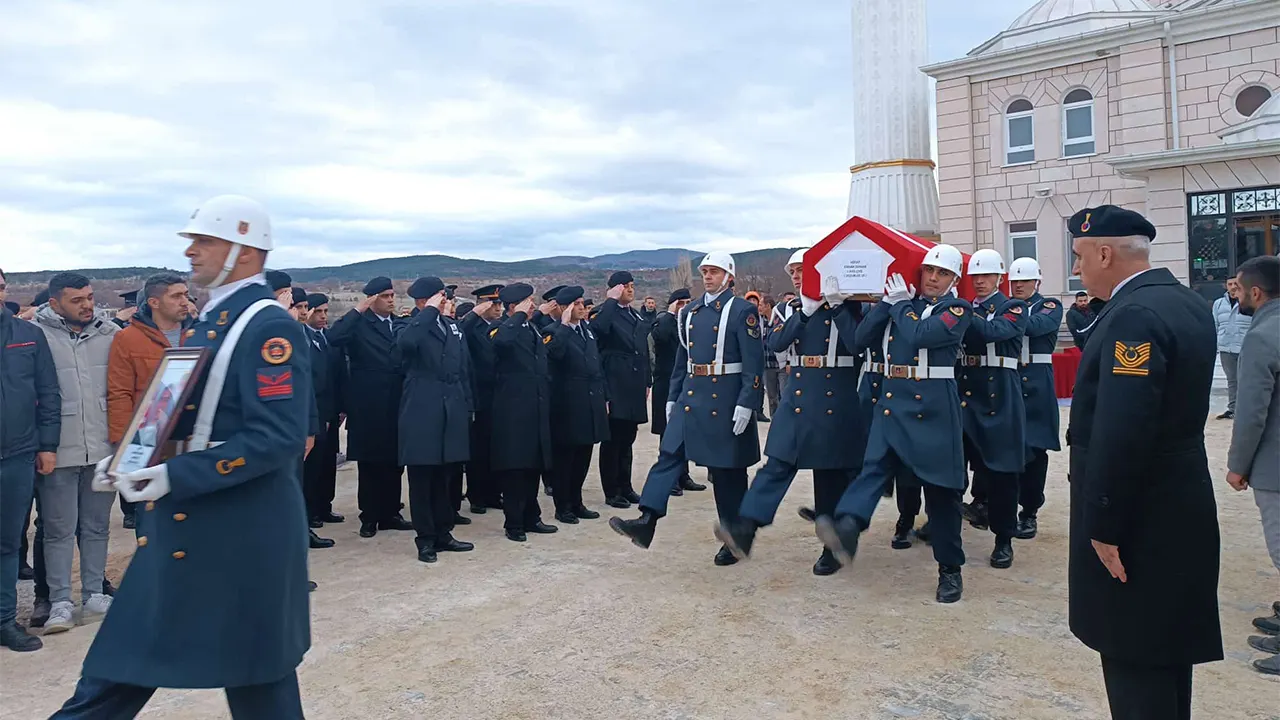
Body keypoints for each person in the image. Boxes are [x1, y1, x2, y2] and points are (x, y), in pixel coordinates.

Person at [51, 194, 312, 718]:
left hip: (239, 527)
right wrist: (132, 459)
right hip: (197, 522)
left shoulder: (266, 325)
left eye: (205, 241)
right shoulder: (216, 317)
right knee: (124, 664)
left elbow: (276, 437)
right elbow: (189, 413)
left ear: (244, 251)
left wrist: (174, 474)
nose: (191, 251)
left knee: (258, 673)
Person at [1064, 205, 1221, 720]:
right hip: (1178, 499)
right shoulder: (1186, 302)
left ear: (1105, 252)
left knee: (1134, 655)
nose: (1078, 270)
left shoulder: (1134, 316)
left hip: (1140, 515)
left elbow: (1122, 427)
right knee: (1166, 654)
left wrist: (1104, 521)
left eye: (1081, 257)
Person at [812, 246, 971, 603]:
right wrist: (868, 304)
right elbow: (858, 340)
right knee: (872, 472)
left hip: (933, 404)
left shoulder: (957, 309)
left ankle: (949, 569)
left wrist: (898, 305)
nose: (932, 278)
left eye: (942, 273)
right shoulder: (901, 304)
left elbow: (922, 336)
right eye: (928, 270)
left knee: (942, 492)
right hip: (892, 399)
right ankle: (846, 530)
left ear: (954, 280)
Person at [609, 252, 764, 566]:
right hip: (692, 396)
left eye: (715, 272)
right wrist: (672, 396)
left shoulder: (742, 311)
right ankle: (647, 521)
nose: (707, 276)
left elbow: (753, 364)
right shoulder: (690, 312)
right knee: (669, 454)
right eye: (705, 271)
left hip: (726, 397)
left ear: (729, 277)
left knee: (726, 471)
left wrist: (748, 402)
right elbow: (684, 360)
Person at [716, 266, 865, 577]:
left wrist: (837, 306)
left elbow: (857, 345)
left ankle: (832, 546)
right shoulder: (792, 309)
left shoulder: (853, 306)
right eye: (794, 272)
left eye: (803, 271)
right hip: (798, 394)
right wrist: (805, 313)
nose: (797, 277)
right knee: (777, 463)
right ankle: (746, 529)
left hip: (834, 392)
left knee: (830, 473)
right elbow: (776, 342)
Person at [33, 272, 120, 634]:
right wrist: (42, 445)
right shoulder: (36, 336)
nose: (87, 305)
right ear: (55, 304)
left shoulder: (110, 334)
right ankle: (59, 602)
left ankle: (94, 593)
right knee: (58, 529)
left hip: (102, 447)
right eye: (77, 300)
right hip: (57, 449)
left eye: (89, 297)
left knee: (97, 526)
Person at [1222, 256, 1280, 675]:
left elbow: (1252, 411)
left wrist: (1237, 465)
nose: (1235, 296)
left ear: (1256, 293)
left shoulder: (1262, 336)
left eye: (1239, 290)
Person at [394, 277, 476, 563]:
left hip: (450, 405)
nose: (447, 301)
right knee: (422, 477)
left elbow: (463, 367)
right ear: (424, 300)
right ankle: (425, 539)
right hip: (422, 406)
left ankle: (444, 532)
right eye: (441, 296)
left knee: (446, 475)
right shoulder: (408, 324)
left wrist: (467, 406)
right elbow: (405, 346)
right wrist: (427, 312)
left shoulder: (451, 326)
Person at [956, 249, 1028, 570]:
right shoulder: (965, 308)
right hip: (966, 393)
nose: (980, 282)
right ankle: (944, 523)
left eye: (986, 276)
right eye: (975, 277)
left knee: (1002, 472)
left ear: (1000, 278)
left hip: (1000, 393)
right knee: (953, 467)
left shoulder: (1013, 307)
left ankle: (1004, 538)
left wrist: (957, 309)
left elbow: (991, 332)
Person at [0, 268, 59, 652]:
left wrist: (48, 445)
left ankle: (4, 621)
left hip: (16, 455)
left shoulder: (27, 335)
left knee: (6, 544)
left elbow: (48, 393)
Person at [328, 276, 412, 538]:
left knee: (394, 462)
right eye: (385, 296)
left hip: (396, 400)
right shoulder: (359, 324)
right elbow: (335, 337)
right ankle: (370, 515)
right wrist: (358, 309)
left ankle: (390, 512)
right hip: (368, 403)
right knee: (370, 463)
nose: (391, 300)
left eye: (391, 295)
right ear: (372, 298)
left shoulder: (397, 324)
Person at [106, 272, 188, 531]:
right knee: (152, 519)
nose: (185, 301)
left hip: (192, 439)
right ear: (154, 302)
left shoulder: (199, 335)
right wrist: (124, 445)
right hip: (150, 441)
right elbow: (119, 392)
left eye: (186, 295)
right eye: (176, 296)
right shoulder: (128, 338)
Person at [490, 283, 557, 541]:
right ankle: (514, 523)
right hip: (513, 411)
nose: (532, 305)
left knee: (533, 466)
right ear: (512, 306)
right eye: (526, 301)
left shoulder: (531, 329)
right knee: (515, 469)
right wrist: (518, 315)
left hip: (535, 406)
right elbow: (501, 342)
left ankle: (532, 517)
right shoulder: (501, 328)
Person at [1006, 258, 1063, 541]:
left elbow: (1036, 326)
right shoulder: (1008, 306)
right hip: (1009, 379)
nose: (1018, 285)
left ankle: (1029, 510)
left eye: (1024, 281)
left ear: (1036, 283)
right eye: (1014, 281)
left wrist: (1005, 314)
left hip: (1036, 382)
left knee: (1034, 451)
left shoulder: (1049, 305)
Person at [544, 286, 609, 524]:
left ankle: (577, 501)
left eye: (582, 303)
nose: (582, 308)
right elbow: (555, 353)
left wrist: (605, 397)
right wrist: (562, 324)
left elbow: (596, 366)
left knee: (583, 455)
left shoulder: (586, 331)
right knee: (565, 460)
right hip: (567, 403)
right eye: (577, 304)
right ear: (564, 307)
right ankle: (563, 507)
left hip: (590, 399)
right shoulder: (552, 331)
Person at [593, 271, 653, 509]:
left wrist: (647, 381)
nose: (630, 289)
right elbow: (599, 330)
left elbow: (643, 351)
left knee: (628, 438)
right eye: (625, 286)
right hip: (615, 382)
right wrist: (610, 300)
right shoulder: (605, 312)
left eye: (631, 286)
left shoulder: (635, 315)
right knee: (613, 440)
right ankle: (612, 490)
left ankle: (625, 486)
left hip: (634, 384)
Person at [650, 289, 704, 495]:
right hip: (665, 384)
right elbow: (660, 338)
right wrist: (671, 312)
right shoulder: (664, 321)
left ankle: (683, 475)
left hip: (684, 382)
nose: (686, 307)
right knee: (668, 433)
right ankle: (668, 479)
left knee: (684, 432)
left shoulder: (689, 324)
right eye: (681, 303)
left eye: (688, 302)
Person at [302, 293, 346, 530]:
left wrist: (340, 408)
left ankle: (324, 506)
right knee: (313, 466)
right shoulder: (304, 339)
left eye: (325, 312)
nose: (322, 317)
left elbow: (336, 376)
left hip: (330, 410)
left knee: (328, 462)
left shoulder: (327, 339)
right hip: (314, 410)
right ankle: (311, 512)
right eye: (317, 311)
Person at [460, 285, 504, 514]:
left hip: (498, 394)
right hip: (479, 395)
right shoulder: (472, 327)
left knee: (496, 448)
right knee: (478, 450)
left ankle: (493, 493)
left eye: (499, 303)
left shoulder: (501, 327)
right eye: (492, 303)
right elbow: (460, 330)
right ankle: (477, 495)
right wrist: (474, 314)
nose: (498, 308)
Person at [1212, 277, 1252, 420]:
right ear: (1226, 286)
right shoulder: (1219, 304)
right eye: (1230, 284)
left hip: (1245, 347)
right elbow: (1215, 324)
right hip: (1226, 348)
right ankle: (1232, 409)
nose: (1233, 287)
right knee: (1232, 380)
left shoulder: (1249, 302)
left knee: (1246, 380)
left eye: (1236, 283)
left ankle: (1246, 409)